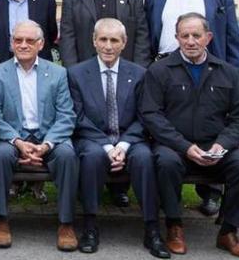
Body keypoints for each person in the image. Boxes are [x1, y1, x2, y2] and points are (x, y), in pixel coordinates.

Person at [139, 12, 239, 259]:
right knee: (166, 163)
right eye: (185, 35)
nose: (191, 41)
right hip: (174, 147)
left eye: (197, 35)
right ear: (177, 38)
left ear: (208, 37)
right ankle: (174, 226)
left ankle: (228, 232)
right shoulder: (159, 70)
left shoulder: (227, 72)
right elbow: (151, 115)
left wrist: (221, 146)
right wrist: (184, 146)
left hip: (216, 147)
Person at [143, 0, 239, 216]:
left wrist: (238, 80)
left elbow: (232, 39)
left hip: (209, 70)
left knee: (209, 128)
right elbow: (148, 37)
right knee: (170, 131)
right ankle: (169, 195)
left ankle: (211, 193)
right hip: (166, 69)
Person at [58, 0, 151, 209]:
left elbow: (142, 38)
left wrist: (137, 73)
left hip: (126, 76)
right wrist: (73, 73)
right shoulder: (73, 0)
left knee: (122, 122)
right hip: (86, 77)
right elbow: (68, 39)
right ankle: (88, 188)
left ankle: (120, 188)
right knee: (93, 125)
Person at [67, 19, 168, 258]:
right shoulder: (77, 74)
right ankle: (90, 226)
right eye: (103, 39)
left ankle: (152, 228)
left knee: (144, 157)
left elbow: (145, 116)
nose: (108, 46)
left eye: (114, 40)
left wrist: (122, 145)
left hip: (129, 139)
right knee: (91, 158)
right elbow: (77, 117)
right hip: (92, 138)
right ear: (94, 41)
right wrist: (105, 146)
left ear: (124, 43)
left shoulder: (140, 74)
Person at [0, 20, 78, 251]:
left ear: (41, 44)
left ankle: (66, 223)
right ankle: (1, 219)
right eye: (18, 40)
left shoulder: (57, 73)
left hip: (49, 138)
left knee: (67, 154)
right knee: (2, 155)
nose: (23, 45)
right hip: (13, 137)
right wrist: (17, 142)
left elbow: (66, 115)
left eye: (29, 40)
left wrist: (46, 145)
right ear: (11, 43)